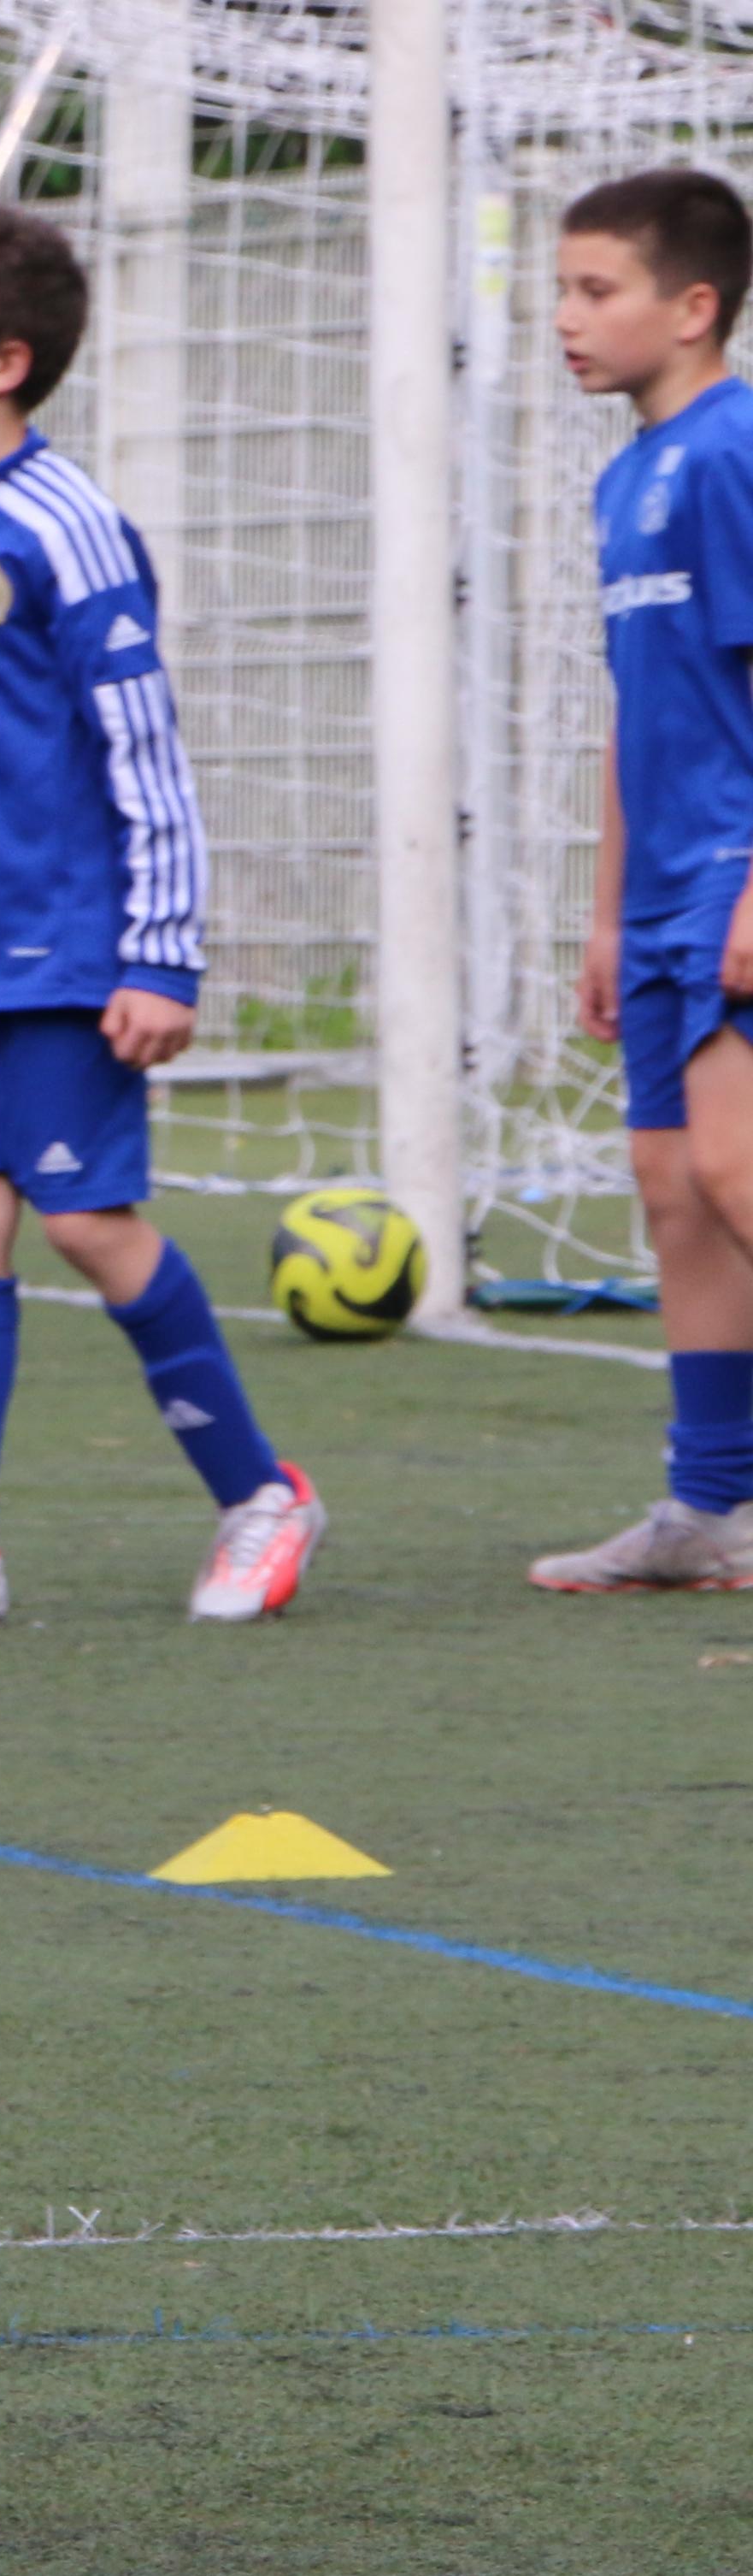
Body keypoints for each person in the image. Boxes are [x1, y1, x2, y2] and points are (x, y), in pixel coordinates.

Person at [0, 205, 324, 1632]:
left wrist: (161, 951)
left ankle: (263, 1496)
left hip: (60, 962)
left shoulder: (69, 526)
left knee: (92, 1228)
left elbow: (142, 749)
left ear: (4, 360)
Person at [537, 167, 753, 1593]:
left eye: (594, 290)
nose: (564, 318)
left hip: (738, 879)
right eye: (559, 288)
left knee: (736, 1167)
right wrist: (610, 914)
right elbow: (637, 709)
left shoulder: (735, 451)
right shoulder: (626, 475)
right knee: (670, 1185)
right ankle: (706, 1509)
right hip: (668, 896)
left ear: (693, 307)